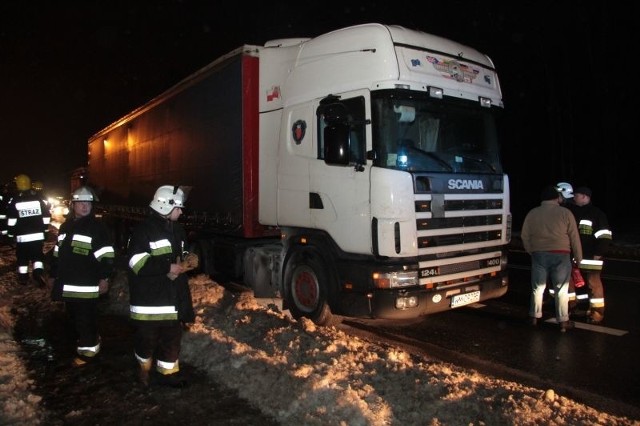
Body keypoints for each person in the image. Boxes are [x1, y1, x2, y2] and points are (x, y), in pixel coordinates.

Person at [127, 185, 196, 388]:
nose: (181, 212)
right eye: (178, 208)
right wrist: (167, 267)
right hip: (150, 303)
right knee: (146, 341)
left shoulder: (179, 230)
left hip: (172, 301)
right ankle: (142, 369)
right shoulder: (144, 231)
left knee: (172, 340)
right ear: (164, 206)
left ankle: (168, 373)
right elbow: (135, 262)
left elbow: (179, 255)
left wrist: (187, 260)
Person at [48, 186, 115, 366]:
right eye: (81, 203)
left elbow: (107, 256)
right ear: (73, 204)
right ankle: (88, 341)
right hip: (69, 284)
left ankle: (89, 352)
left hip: (87, 285)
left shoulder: (97, 228)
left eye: (88, 203)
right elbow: (57, 255)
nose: (85, 206)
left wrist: (105, 278)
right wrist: (53, 275)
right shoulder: (66, 226)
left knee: (85, 318)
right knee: (74, 317)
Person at [521, 185, 582, 332]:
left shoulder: (532, 213)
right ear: (556, 198)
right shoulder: (565, 213)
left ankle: (534, 317)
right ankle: (563, 322)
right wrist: (578, 258)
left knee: (538, 288)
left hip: (539, 254)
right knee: (561, 289)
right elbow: (574, 237)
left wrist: (531, 250)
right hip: (561, 254)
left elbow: (524, 235)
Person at [570, 186, 612, 324]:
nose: (574, 198)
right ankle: (578, 308)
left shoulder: (597, 214)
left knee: (593, 285)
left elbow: (605, 236)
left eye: (576, 195)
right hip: (575, 255)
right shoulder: (571, 212)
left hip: (592, 256)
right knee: (576, 283)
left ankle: (597, 314)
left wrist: (598, 253)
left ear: (585, 197)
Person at [6, 174, 51, 286]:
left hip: (22, 237)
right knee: (37, 256)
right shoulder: (38, 198)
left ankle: (23, 278)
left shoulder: (16, 200)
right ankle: (38, 273)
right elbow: (46, 215)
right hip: (38, 235)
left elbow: (12, 219)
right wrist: (45, 230)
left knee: (22, 258)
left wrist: (10, 234)